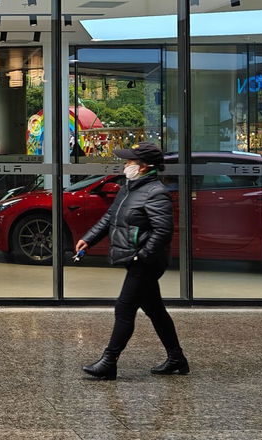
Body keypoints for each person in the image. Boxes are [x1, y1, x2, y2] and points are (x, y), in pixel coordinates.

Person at [74, 141, 187, 380]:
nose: (125, 165)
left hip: (145, 262)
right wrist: (89, 239)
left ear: (144, 166)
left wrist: (142, 256)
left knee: (124, 307)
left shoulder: (156, 192)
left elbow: (162, 231)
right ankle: (177, 358)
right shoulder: (129, 188)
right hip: (135, 258)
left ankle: (109, 361)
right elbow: (110, 217)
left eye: (130, 162)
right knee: (155, 309)